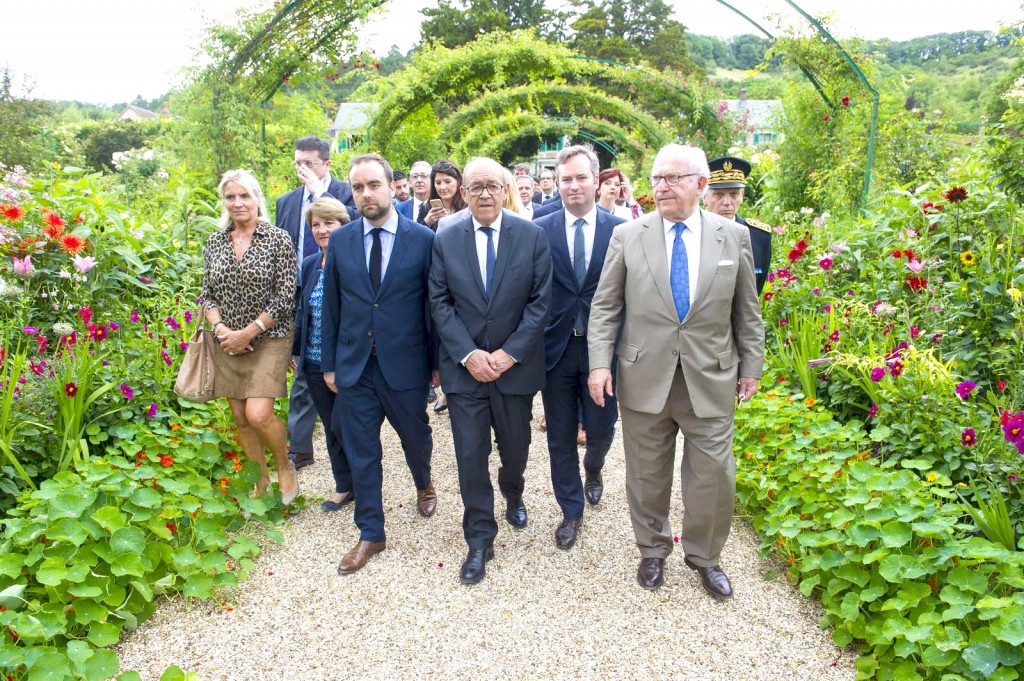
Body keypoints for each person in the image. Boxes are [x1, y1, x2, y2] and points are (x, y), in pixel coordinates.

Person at [587, 143, 764, 599]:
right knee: (647, 472)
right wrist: (599, 364)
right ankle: (652, 550)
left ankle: (706, 557)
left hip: (711, 377)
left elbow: (747, 311)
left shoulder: (732, 236)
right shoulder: (629, 236)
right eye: (656, 179)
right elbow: (605, 307)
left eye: (673, 178)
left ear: (701, 184)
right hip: (645, 375)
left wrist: (752, 368)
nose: (661, 187)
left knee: (714, 475)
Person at [429, 157, 552, 585]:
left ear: (506, 191)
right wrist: (468, 354)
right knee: (469, 456)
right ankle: (480, 538)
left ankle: (513, 490)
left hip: (513, 370)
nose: (483, 194)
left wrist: (508, 354)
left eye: (492, 186)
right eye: (475, 186)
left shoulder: (532, 237)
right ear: (463, 193)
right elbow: (439, 302)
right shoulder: (445, 239)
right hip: (465, 373)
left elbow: (540, 303)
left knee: (515, 447)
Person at [322, 154, 439, 575]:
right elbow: (332, 306)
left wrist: (437, 364)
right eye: (358, 187)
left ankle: (424, 481)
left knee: (415, 436)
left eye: (374, 185)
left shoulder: (423, 239)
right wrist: (330, 365)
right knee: (362, 451)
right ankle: (371, 532)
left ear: (393, 186)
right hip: (355, 367)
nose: (366, 194)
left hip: (405, 364)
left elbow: (434, 306)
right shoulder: (342, 240)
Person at [535, 145, 625, 550]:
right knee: (558, 433)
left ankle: (595, 466)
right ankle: (570, 510)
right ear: (558, 183)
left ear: (596, 178)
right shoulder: (539, 226)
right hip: (555, 349)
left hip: (602, 350)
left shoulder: (620, 230)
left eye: (581, 177)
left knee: (603, 427)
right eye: (566, 179)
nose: (573, 186)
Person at [202, 169, 299, 505]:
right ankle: (260, 483)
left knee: (258, 413)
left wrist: (250, 331)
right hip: (227, 341)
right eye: (231, 197)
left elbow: (285, 297)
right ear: (224, 202)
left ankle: (285, 465)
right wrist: (222, 330)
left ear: (258, 198)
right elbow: (207, 295)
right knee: (241, 417)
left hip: (270, 337)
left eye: (245, 196)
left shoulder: (278, 239)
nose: (238, 203)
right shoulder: (214, 242)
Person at [275, 136, 357, 470]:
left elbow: (356, 223)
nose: (303, 169)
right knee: (303, 372)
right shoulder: (287, 200)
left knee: (334, 376)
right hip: (301, 284)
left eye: (309, 162)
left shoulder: (347, 191)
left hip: (338, 290)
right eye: (298, 163)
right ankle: (300, 448)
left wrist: (321, 197)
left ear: (325, 164)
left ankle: (350, 449)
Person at [293, 197, 355, 512]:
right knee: (330, 425)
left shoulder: (353, 264)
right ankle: (345, 485)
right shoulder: (309, 265)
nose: (321, 230)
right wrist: (296, 352)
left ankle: (365, 479)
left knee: (347, 425)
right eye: (316, 224)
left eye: (328, 222)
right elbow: (301, 312)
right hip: (314, 361)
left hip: (346, 362)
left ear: (343, 224)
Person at [704, 156, 773, 295]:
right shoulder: (694, 233)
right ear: (704, 197)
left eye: (734, 194)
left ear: (742, 195)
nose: (727, 202)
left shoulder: (759, 236)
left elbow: (755, 290)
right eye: (719, 195)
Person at [417, 160, 466, 231]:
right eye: (438, 183)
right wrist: (427, 222)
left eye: (447, 182)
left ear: (458, 181)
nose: (442, 187)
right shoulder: (426, 208)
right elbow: (416, 238)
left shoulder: (468, 208)